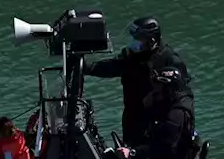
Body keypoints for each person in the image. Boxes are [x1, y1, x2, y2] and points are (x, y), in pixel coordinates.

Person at [83, 16, 194, 147]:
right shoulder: (133, 56)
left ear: (152, 41)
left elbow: (182, 95)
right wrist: (86, 68)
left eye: (138, 39)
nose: (134, 42)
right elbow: (112, 67)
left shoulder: (170, 61)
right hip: (132, 118)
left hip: (155, 121)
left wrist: (171, 122)